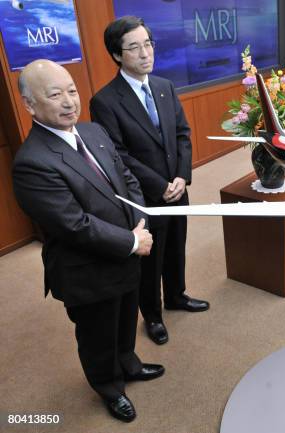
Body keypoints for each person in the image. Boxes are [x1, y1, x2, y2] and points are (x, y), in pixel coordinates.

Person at [12, 59, 163, 422]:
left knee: (127, 318)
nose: (69, 102)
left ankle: (128, 363)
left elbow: (127, 179)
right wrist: (130, 240)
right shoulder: (32, 162)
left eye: (72, 91)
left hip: (127, 249)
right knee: (98, 336)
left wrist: (139, 222)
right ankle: (109, 388)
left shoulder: (93, 131)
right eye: (55, 95)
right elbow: (74, 225)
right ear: (31, 105)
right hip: (88, 270)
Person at [90, 16, 209, 345]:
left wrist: (182, 177)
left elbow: (182, 134)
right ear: (117, 55)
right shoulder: (105, 101)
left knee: (176, 248)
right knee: (149, 260)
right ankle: (153, 316)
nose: (145, 53)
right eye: (134, 47)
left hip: (177, 188)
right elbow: (118, 155)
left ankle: (177, 296)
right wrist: (160, 185)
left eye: (148, 44)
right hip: (145, 197)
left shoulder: (164, 87)